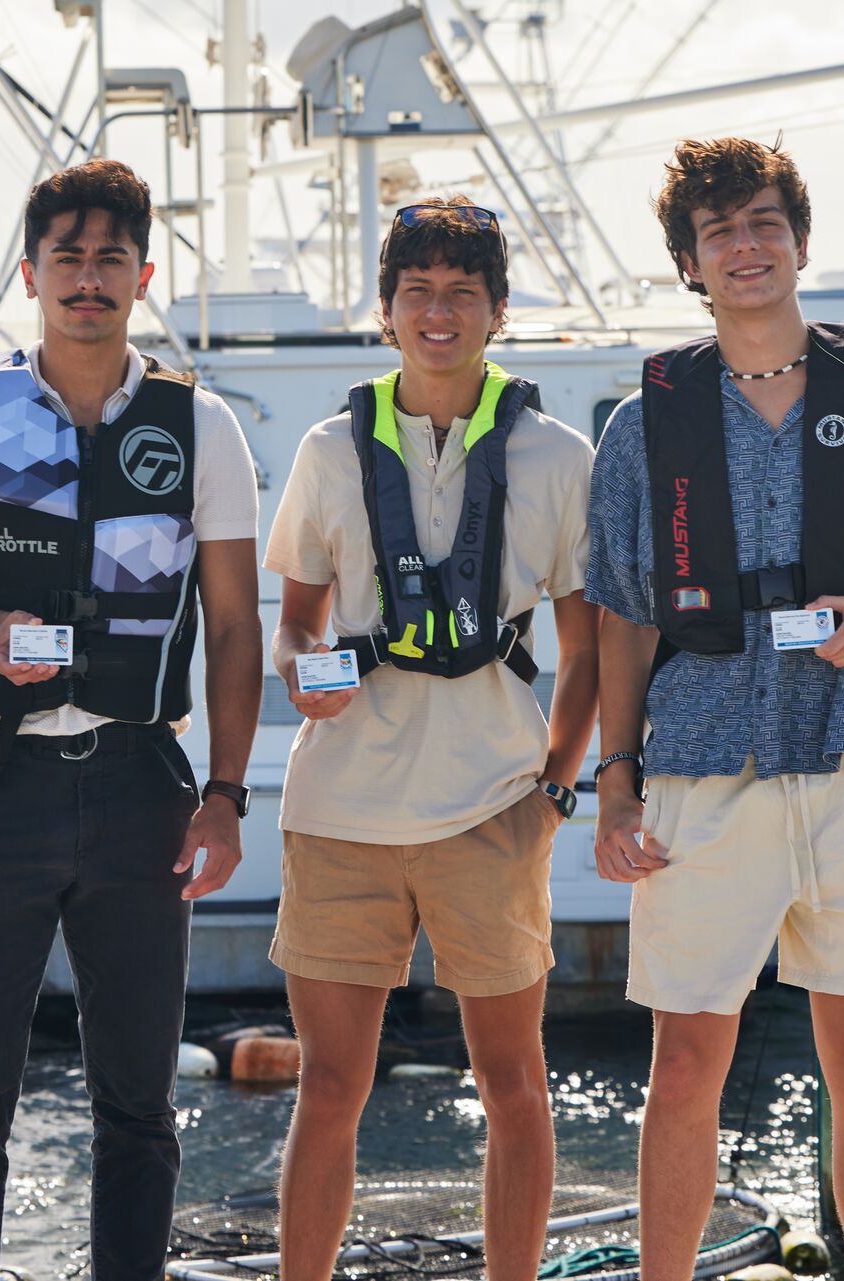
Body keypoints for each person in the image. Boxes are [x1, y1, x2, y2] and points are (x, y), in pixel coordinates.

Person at [585, 138, 844, 1281]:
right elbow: (621, 615)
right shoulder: (643, 426)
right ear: (689, 263)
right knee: (686, 1066)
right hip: (701, 764)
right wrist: (615, 786)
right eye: (718, 231)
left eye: (765, 222)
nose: (746, 246)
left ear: (802, 242)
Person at [0, 158, 263, 1281]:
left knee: (139, 1103)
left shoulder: (202, 427)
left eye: (110, 260)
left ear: (144, 274)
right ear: (31, 275)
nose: (88, 280)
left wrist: (226, 796)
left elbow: (236, 627)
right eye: (67, 259)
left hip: (143, 785)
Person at [265, 196, 599, 1281]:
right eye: (419, 292)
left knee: (514, 1085)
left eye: (463, 292)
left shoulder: (559, 455)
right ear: (387, 310)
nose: (439, 313)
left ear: (498, 311)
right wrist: (301, 671)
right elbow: (296, 622)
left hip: (493, 807)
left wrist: (555, 791)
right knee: (330, 1087)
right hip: (340, 813)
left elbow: (588, 648)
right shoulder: (327, 448)